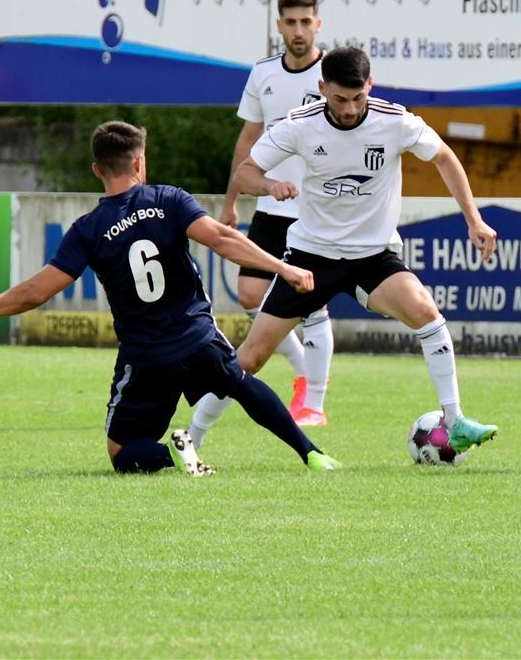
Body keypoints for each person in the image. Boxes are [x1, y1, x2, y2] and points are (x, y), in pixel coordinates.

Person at [0, 121, 341, 474]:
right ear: (139, 162)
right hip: (198, 336)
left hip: (147, 355)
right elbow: (222, 239)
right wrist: (283, 268)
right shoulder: (169, 200)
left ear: (97, 170)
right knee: (241, 383)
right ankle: (311, 453)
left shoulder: (88, 229)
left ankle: (173, 454)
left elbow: (36, 292)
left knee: (121, 450)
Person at [189, 46, 500, 455]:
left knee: (426, 311)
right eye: (340, 99)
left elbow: (444, 157)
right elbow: (246, 171)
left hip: (373, 257)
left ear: (369, 86)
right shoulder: (300, 125)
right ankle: (189, 438)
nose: (350, 109)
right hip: (312, 256)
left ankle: (455, 420)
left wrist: (473, 219)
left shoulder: (395, 121)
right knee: (253, 355)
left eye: (358, 98)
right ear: (322, 89)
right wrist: (270, 186)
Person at [218, 0, 334, 427]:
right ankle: (304, 373)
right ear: (279, 25)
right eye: (291, 22)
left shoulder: (332, 74)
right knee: (249, 293)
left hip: (316, 210)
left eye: (307, 22)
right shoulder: (263, 73)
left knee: (313, 302)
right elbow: (248, 141)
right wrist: (232, 201)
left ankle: (313, 403)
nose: (299, 30)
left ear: (317, 24)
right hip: (270, 204)